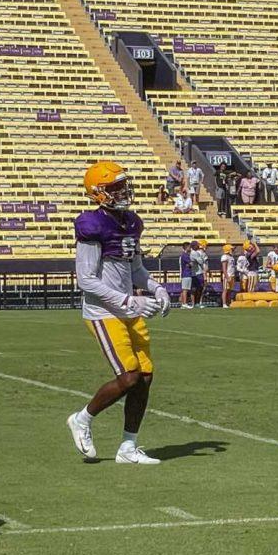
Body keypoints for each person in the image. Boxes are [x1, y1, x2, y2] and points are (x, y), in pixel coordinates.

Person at [67, 161, 171, 466]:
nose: (122, 191)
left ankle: (128, 447)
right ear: (98, 193)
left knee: (145, 377)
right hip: (103, 312)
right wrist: (130, 301)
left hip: (127, 309)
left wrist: (157, 288)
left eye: (122, 185)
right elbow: (86, 280)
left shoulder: (131, 222)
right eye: (113, 187)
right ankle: (82, 419)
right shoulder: (92, 224)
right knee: (129, 377)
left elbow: (135, 269)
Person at [189, 240, 208, 307]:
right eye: (197, 245)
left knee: (195, 289)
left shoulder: (194, 252)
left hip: (195, 273)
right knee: (199, 288)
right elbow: (201, 261)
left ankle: (195, 303)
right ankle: (197, 303)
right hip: (198, 273)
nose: (198, 246)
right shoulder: (195, 253)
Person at [220, 243, 236, 308]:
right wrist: (227, 276)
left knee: (230, 290)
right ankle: (224, 303)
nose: (232, 250)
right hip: (228, 275)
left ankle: (228, 302)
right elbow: (224, 268)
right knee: (225, 290)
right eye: (231, 249)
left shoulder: (231, 257)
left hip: (232, 275)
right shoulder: (225, 256)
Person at [178, 241, 194, 308]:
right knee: (185, 289)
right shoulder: (185, 255)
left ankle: (183, 303)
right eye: (189, 247)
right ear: (187, 247)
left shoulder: (184, 255)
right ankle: (184, 303)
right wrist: (190, 264)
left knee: (185, 289)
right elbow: (191, 264)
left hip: (186, 274)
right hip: (186, 274)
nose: (190, 248)